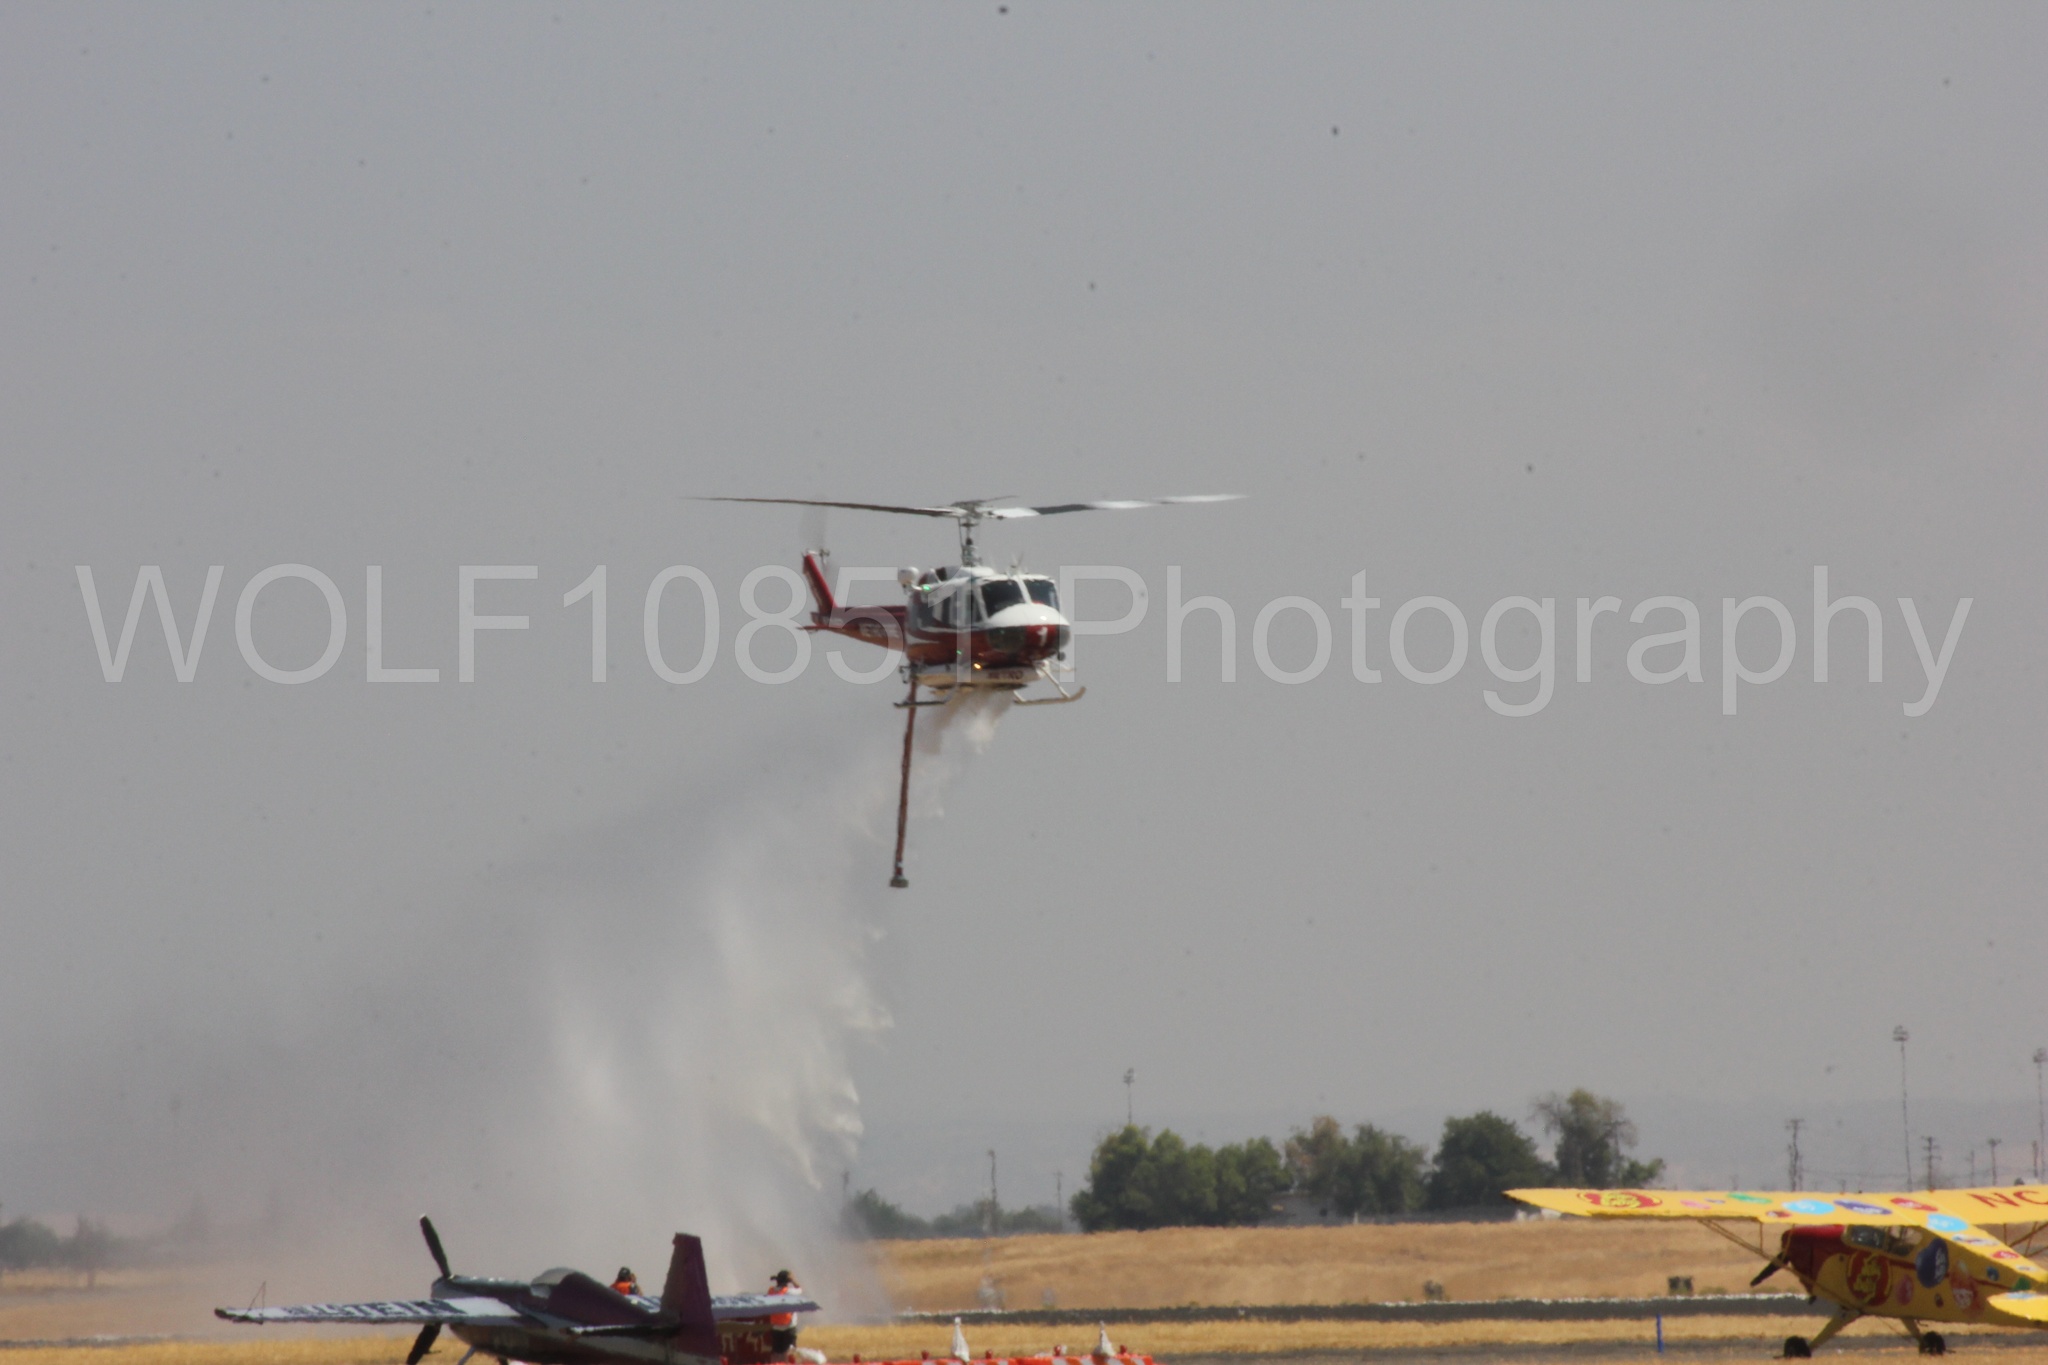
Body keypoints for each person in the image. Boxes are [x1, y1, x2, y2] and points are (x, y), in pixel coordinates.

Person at [766, 1268, 802, 1357]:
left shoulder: (771, 1291)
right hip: (789, 1326)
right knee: (790, 1353)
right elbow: (800, 1289)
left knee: (777, 1352)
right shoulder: (789, 1292)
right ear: (787, 1281)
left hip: (776, 1326)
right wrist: (793, 1281)